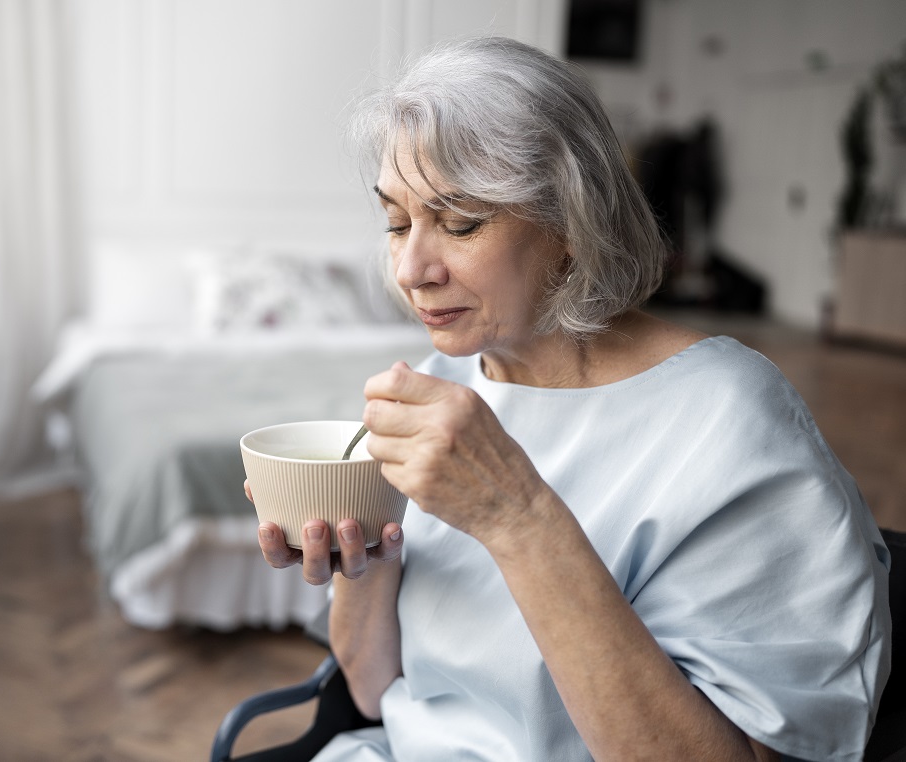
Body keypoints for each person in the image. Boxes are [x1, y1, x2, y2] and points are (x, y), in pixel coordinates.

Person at [250, 37, 891, 762]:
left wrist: (517, 517)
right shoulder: (446, 384)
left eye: (459, 222)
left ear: (568, 221)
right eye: (396, 222)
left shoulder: (726, 420)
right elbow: (374, 695)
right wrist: (360, 561)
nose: (410, 268)